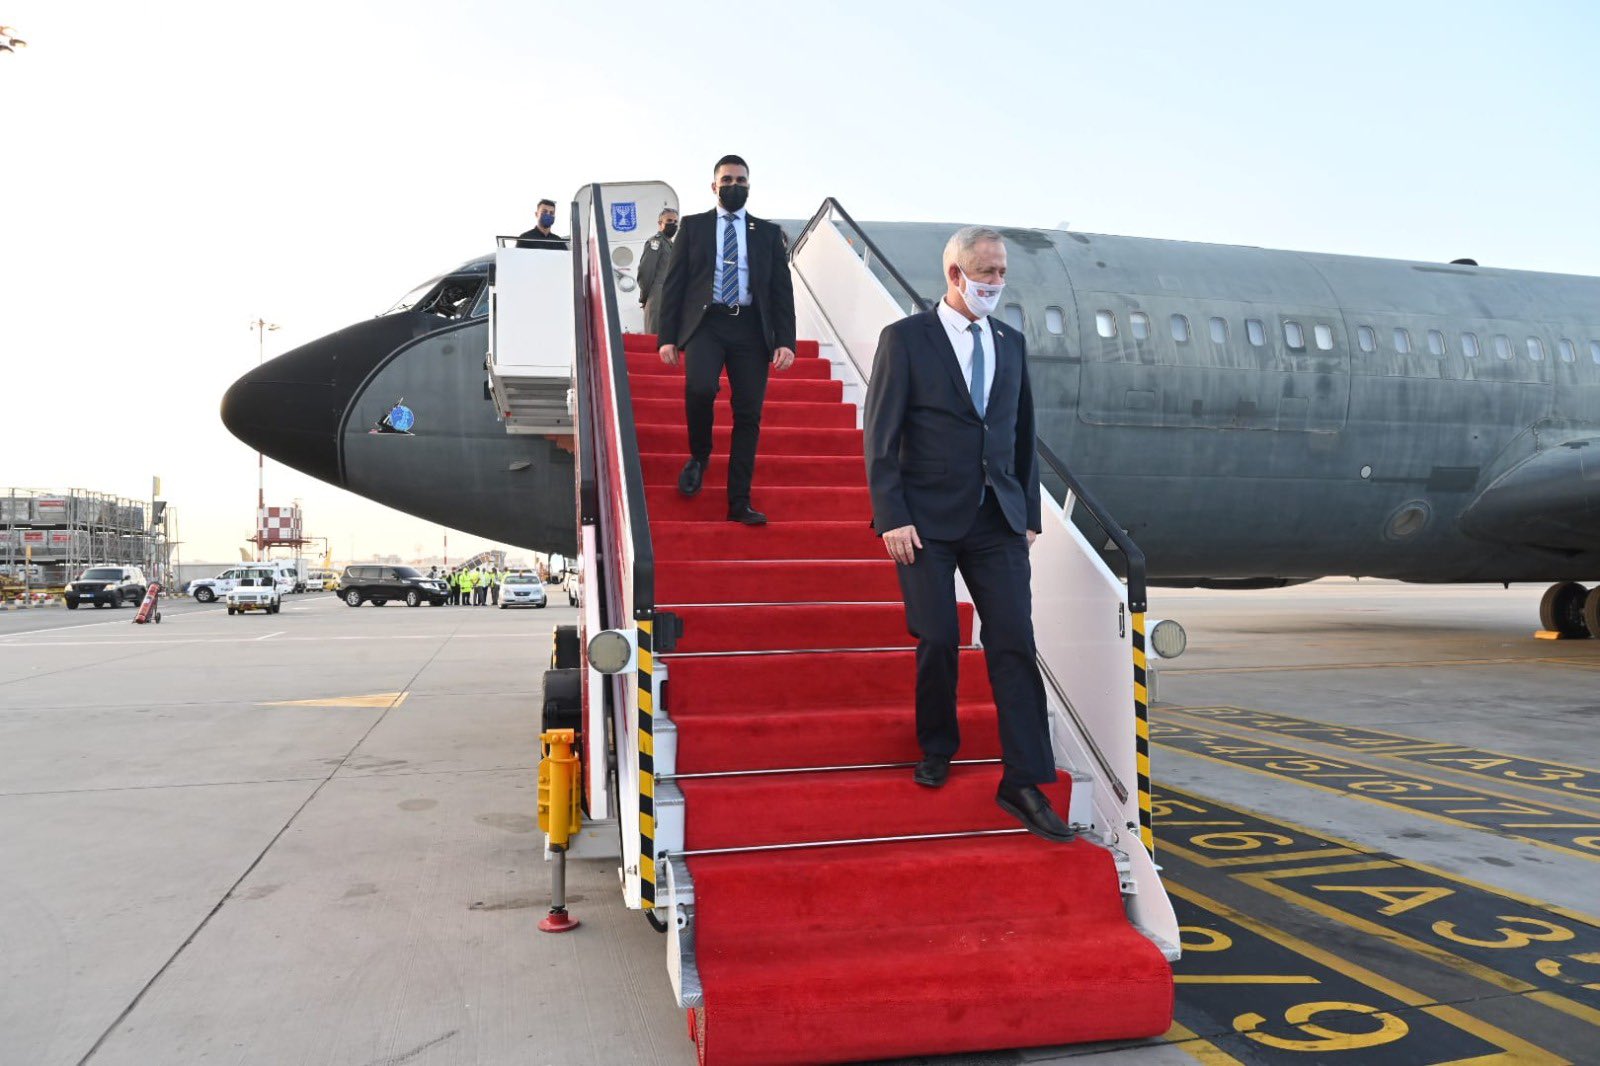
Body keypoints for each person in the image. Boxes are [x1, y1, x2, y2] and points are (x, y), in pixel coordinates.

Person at [862, 226, 1072, 844]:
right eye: (985, 273)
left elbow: (1020, 428)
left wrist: (1028, 510)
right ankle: (937, 744)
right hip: (924, 519)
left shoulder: (1010, 342)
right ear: (954, 273)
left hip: (997, 519)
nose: (995, 284)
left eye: (1002, 273)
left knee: (1014, 641)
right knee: (939, 638)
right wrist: (890, 513)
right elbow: (880, 434)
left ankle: (1024, 781)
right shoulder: (906, 340)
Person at [656, 154, 797, 526]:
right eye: (728, 180)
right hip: (707, 323)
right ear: (714, 185)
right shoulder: (694, 226)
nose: (735, 186)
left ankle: (739, 501)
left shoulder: (767, 234)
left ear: (749, 185)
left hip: (751, 329)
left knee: (748, 414)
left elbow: (782, 291)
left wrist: (786, 340)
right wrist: (667, 336)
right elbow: (675, 283)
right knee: (700, 389)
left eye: (741, 180)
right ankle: (700, 456)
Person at [637, 208, 679, 335]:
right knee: (656, 341)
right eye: (669, 221)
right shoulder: (655, 242)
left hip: (672, 299)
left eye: (676, 221)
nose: (673, 224)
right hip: (658, 299)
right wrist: (644, 298)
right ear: (660, 223)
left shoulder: (672, 245)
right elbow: (646, 272)